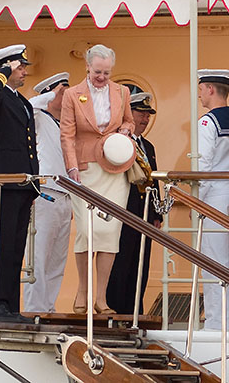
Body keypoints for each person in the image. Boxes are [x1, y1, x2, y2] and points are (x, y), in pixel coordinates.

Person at [60, 44, 135, 315]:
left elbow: (130, 121)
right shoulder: (72, 94)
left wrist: (125, 130)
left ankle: (101, 299)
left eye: (106, 72)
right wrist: (71, 168)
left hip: (114, 168)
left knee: (110, 232)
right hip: (84, 169)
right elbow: (67, 135)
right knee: (87, 231)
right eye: (97, 72)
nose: (102, 77)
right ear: (87, 68)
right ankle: (82, 292)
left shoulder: (122, 91)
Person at [0, 44, 38, 323]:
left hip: (23, 184)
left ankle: (10, 306)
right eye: (21, 66)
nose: (25, 71)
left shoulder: (22, 101)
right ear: (7, 67)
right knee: (0, 244)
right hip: (5, 181)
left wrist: (34, 179)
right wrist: (3, 69)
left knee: (15, 247)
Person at [196, 69, 229, 331]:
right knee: (228, 261)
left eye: (201, 88)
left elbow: (203, 163)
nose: (200, 94)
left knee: (213, 262)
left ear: (211, 89)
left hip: (213, 195)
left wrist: (197, 199)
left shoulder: (207, 122)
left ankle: (216, 325)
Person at [106, 91, 162, 315]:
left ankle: (135, 309)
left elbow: (152, 180)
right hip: (124, 210)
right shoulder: (119, 142)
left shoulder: (148, 146)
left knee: (141, 263)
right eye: (141, 113)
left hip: (144, 212)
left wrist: (157, 214)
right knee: (121, 261)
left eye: (148, 115)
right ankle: (116, 308)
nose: (145, 119)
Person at [22, 72, 72, 313]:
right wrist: (52, 93)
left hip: (65, 195)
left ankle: (48, 307)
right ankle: (34, 308)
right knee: (38, 256)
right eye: (64, 90)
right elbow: (28, 105)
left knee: (57, 260)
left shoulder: (64, 123)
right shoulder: (38, 117)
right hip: (44, 192)